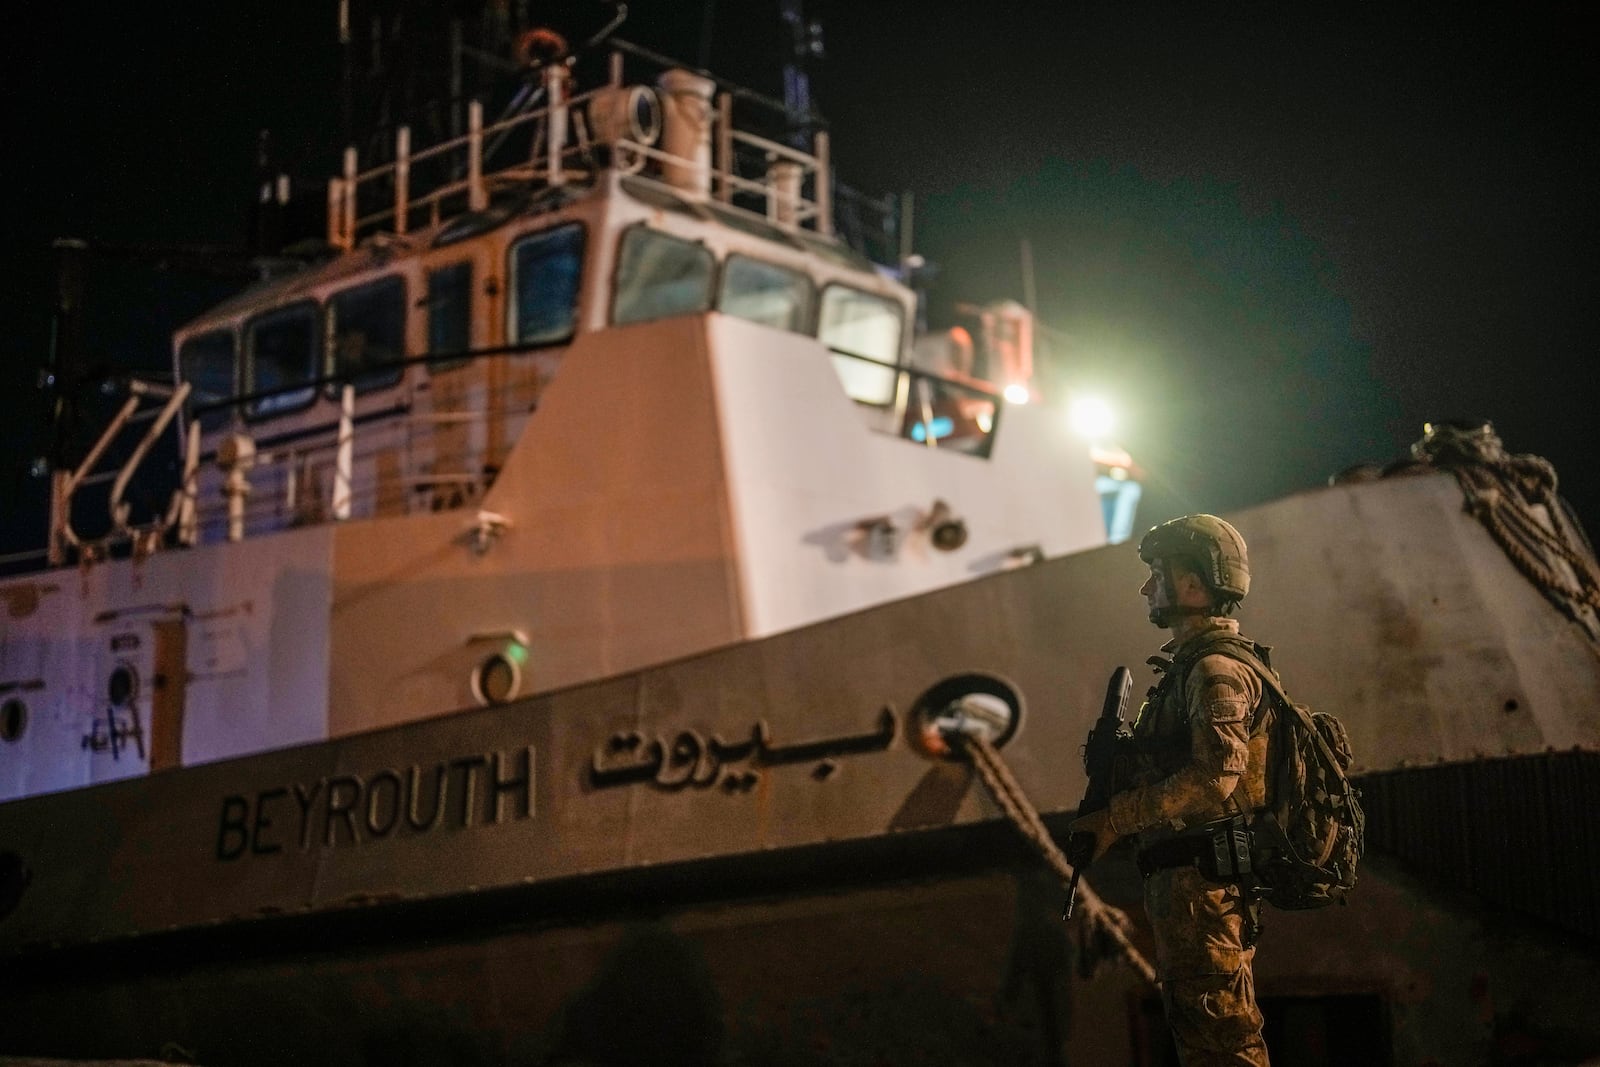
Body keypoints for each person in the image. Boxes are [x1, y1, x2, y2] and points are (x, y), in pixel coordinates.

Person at [1068, 514, 1273, 1066]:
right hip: (1186, 882)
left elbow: (1216, 776)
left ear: (1192, 583)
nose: (1145, 587)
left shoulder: (1215, 672)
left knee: (1221, 1036)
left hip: (1205, 884)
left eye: (1156, 573)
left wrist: (1115, 819)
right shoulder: (1186, 670)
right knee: (1201, 1033)